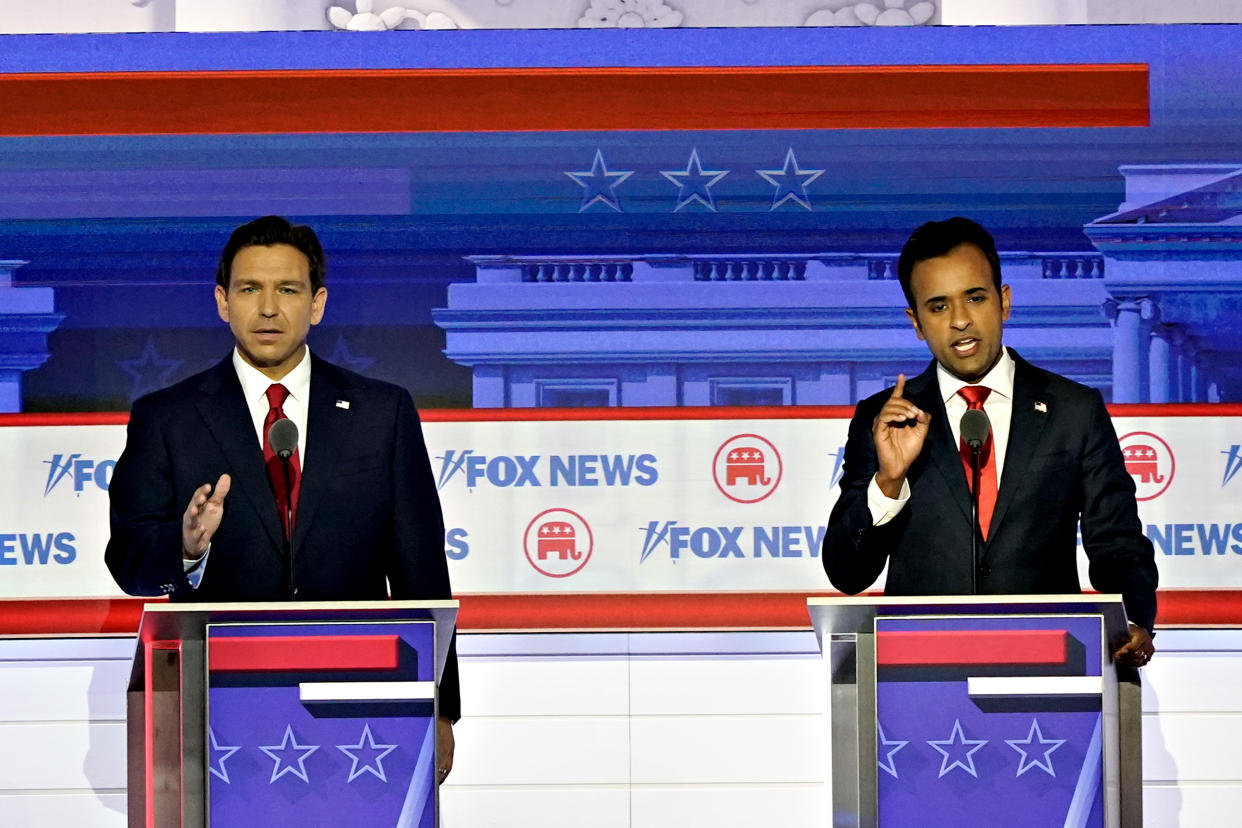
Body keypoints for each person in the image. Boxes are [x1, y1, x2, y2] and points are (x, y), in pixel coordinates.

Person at [105, 215, 459, 780]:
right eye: (249, 289)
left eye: (287, 290)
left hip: (360, 708)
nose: (268, 308)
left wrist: (442, 708)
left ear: (317, 303)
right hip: (212, 710)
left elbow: (421, 569)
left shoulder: (381, 412)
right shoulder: (166, 417)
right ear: (222, 301)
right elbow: (128, 561)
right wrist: (186, 545)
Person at [821, 217, 1158, 667]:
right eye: (938, 307)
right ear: (916, 322)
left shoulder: (1073, 410)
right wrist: (887, 482)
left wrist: (1134, 619)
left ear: (1004, 302)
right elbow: (847, 574)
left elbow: (1116, 543)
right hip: (919, 676)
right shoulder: (883, 418)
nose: (960, 320)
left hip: (1050, 668)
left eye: (975, 298)